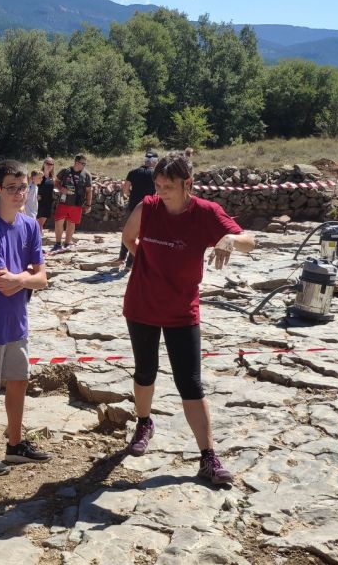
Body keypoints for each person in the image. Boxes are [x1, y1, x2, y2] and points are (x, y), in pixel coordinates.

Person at [121, 152, 255, 485]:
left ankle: (208, 457)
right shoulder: (147, 208)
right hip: (143, 304)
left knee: (190, 382)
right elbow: (128, 238)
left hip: (182, 310)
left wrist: (230, 239)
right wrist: (148, 262)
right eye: (158, 185)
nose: (160, 191)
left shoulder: (206, 213)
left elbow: (249, 242)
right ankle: (144, 423)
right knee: (145, 369)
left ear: (188, 184)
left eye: (168, 186)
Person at [0, 160, 50, 477]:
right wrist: (25, 278)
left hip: (17, 320)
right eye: (12, 188)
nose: (19, 193)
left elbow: (42, 277)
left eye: (23, 187)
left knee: (19, 382)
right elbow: (2, 284)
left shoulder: (30, 225)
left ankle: (15, 445)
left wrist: (22, 279)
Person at [112, 151, 158, 270]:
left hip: (132, 206)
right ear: (154, 162)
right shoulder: (156, 175)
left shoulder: (133, 172)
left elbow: (125, 190)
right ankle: (130, 264)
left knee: (128, 233)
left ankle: (121, 257)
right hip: (148, 207)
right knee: (139, 236)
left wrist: (132, 194)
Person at [52, 154, 92, 252]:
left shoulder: (86, 175)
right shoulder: (65, 171)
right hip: (63, 201)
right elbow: (56, 182)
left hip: (77, 203)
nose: (84, 165)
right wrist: (61, 188)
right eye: (83, 163)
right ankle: (57, 243)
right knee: (58, 222)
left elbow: (89, 191)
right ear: (76, 162)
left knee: (71, 223)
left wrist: (88, 204)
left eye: (85, 164)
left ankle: (67, 243)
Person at [36, 158, 55, 232]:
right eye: (47, 163)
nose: (49, 166)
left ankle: (38, 238)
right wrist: (35, 196)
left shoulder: (52, 177)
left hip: (48, 202)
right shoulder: (39, 174)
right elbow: (31, 186)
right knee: (35, 222)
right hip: (38, 202)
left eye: (51, 164)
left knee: (41, 224)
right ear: (44, 164)